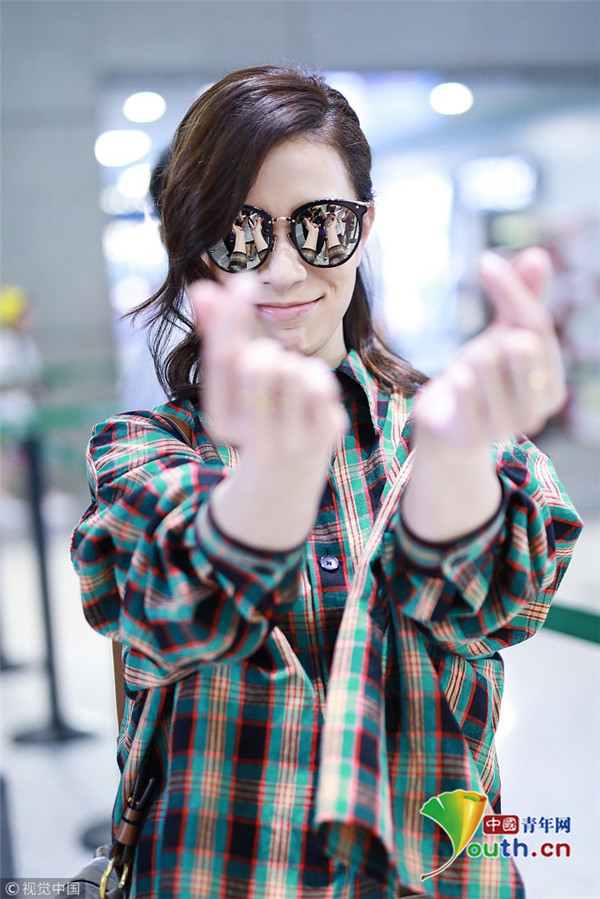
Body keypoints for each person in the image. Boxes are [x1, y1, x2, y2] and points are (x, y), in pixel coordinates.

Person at [71, 65, 582, 899]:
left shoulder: (449, 428)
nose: (281, 269)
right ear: (192, 246)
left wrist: (454, 460)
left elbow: (495, 598)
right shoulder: (142, 451)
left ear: (364, 224)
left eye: (321, 227)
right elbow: (163, 599)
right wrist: (277, 476)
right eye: (239, 234)